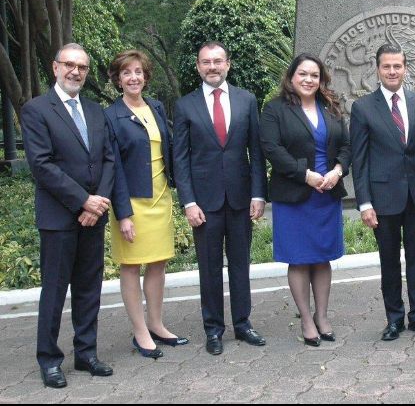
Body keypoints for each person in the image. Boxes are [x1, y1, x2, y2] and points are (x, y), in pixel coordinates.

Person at [21, 43, 115, 388]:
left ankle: (86, 353)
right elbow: (41, 165)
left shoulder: (95, 110)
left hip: (94, 215)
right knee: (55, 290)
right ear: (55, 67)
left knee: (89, 288)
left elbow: (107, 159)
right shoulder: (36, 110)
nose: (76, 72)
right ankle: (49, 360)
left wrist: (99, 202)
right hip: (59, 218)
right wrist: (83, 202)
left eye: (83, 67)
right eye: (70, 65)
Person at [173, 41, 267, 355]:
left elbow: (256, 149)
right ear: (198, 66)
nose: (212, 67)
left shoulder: (246, 100)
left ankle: (243, 324)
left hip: (241, 199)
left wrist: (258, 193)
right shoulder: (185, 105)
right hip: (204, 203)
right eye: (205, 62)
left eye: (217, 61)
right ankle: (213, 329)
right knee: (209, 267)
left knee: (241, 264)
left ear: (228, 64)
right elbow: (181, 160)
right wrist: (188, 202)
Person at [260, 53, 350, 346]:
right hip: (295, 195)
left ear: (321, 79)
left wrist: (337, 170)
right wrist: (306, 175)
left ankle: (323, 316)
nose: (308, 80)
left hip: (327, 192)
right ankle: (307, 320)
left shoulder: (332, 108)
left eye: (314, 75)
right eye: (303, 74)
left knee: (322, 258)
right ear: (291, 77)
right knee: (299, 259)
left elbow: (347, 146)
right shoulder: (275, 110)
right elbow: (272, 149)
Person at [104, 50, 188, 359]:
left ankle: (156, 324)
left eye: (138, 71)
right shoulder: (110, 115)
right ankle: (140, 332)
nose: (134, 77)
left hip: (160, 197)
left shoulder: (154, 106)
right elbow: (112, 166)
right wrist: (123, 213)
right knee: (131, 266)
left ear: (145, 76)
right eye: (127, 73)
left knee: (157, 263)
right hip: (132, 203)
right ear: (118, 79)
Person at [350, 44, 415, 341]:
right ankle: (394, 319)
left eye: (397, 66)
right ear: (377, 69)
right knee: (389, 262)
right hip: (383, 199)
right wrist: (364, 203)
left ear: (405, 68)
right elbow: (359, 160)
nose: (392, 71)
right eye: (386, 66)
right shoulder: (362, 108)